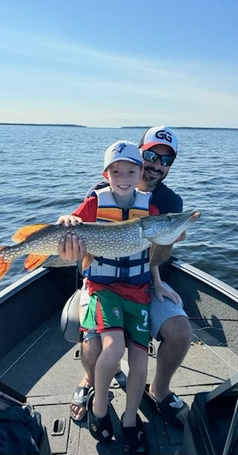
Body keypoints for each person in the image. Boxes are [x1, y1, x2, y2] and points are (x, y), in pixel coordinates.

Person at [58, 126, 191, 429]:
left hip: (142, 281)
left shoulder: (166, 204)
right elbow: (78, 240)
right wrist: (69, 249)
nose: (157, 165)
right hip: (100, 282)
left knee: (181, 332)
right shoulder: (100, 192)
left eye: (166, 160)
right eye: (152, 156)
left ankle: (159, 390)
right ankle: (90, 380)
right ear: (140, 154)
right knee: (95, 348)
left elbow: (156, 258)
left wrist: (166, 242)